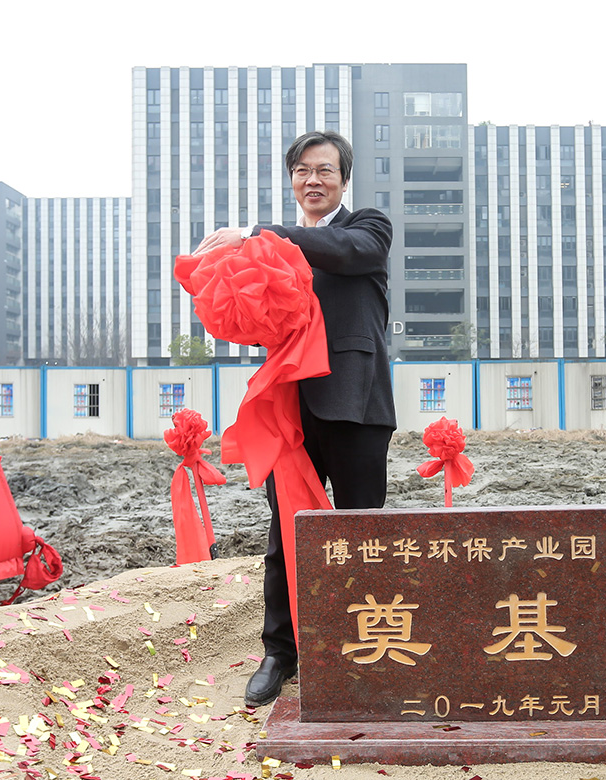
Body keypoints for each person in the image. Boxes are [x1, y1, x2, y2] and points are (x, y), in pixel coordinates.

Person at [194, 130, 397, 706]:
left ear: (343, 179)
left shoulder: (368, 228)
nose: (313, 180)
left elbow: (345, 250)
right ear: (292, 180)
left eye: (325, 170)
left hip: (356, 405)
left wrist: (255, 233)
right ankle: (280, 654)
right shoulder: (271, 251)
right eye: (303, 170)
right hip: (290, 409)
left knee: (362, 535)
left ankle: (367, 646)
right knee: (286, 535)